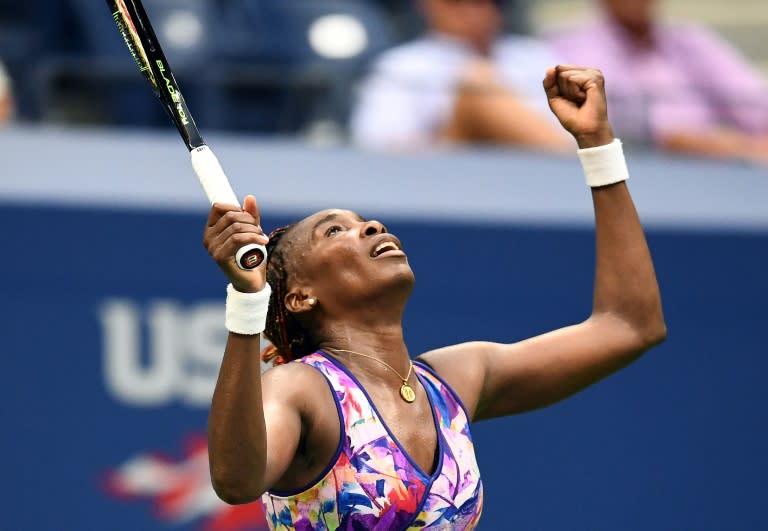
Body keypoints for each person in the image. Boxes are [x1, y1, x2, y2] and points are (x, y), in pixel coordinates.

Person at [204, 66, 667, 529]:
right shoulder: (301, 389)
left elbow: (629, 326)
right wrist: (249, 299)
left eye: (364, 219)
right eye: (334, 231)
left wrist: (598, 145)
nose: (371, 226)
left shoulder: (456, 380)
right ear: (300, 297)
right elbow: (238, 482)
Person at [547, 0, 768, 163]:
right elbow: (618, 128)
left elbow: (756, 105)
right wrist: (730, 146)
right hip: (635, 174)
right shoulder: (572, 44)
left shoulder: (690, 39)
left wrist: (742, 147)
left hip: (720, 171)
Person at [349, 0, 572, 152]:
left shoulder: (535, 56)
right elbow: (380, 147)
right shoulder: (401, 66)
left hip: (533, 175)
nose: (474, 10)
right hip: (445, 183)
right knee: (477, 89)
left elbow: (572, 130)